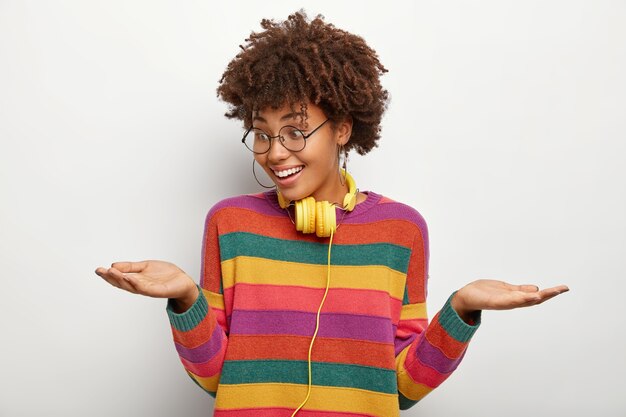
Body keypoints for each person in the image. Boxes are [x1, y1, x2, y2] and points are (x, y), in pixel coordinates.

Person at [94, 10, 569, 417]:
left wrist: (460, 310)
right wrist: (184, 299)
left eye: (296, 131)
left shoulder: (400, 230)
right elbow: (219, 377)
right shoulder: (230, 224)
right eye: (262, 134)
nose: (275, 152)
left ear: (342, 129)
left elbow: (401, 388)